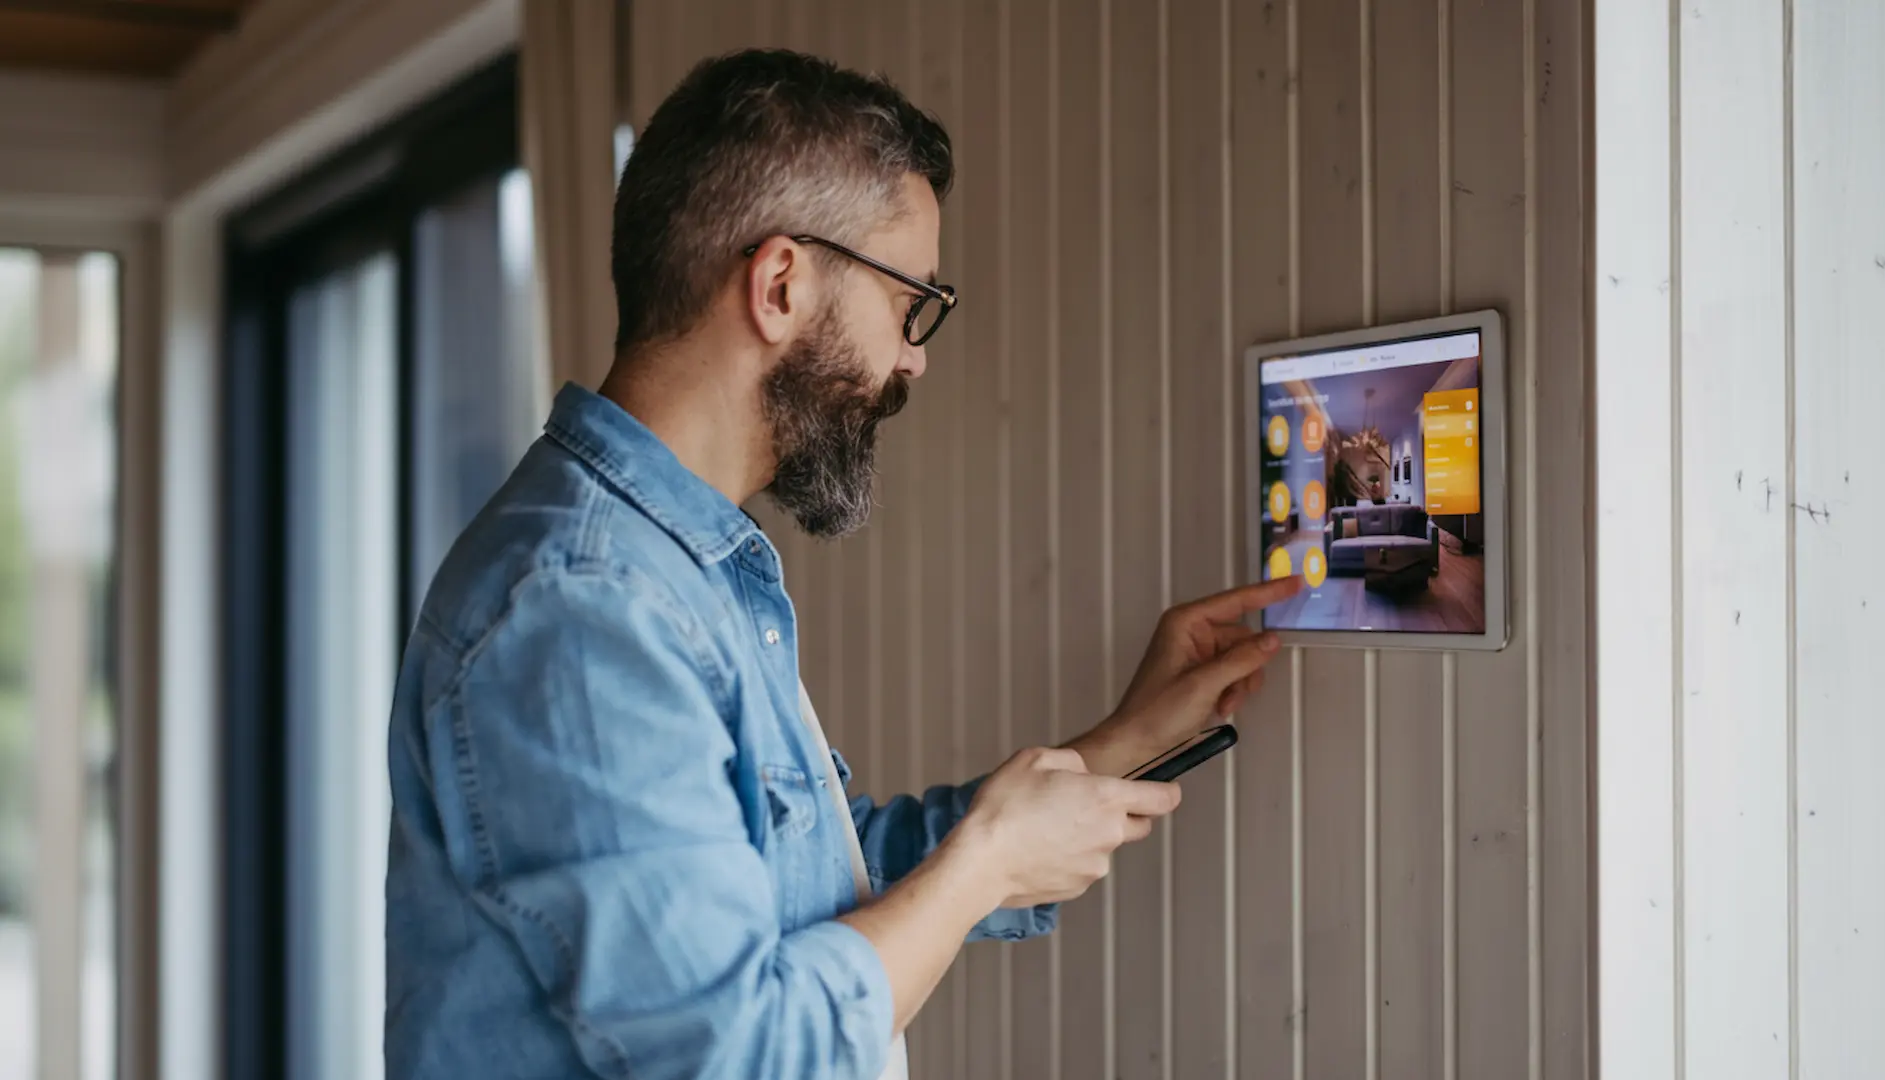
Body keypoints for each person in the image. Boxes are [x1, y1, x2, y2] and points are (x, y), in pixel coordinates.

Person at [384, 47, 1293, 1080]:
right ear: (779, 285)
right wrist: (988, 858)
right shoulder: (585, 607)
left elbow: (794, 889)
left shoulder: (670, 567)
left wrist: (1121, 745)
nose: (914, 357)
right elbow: (738, 1056)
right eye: (911, 303)